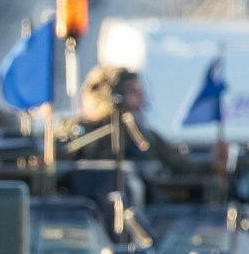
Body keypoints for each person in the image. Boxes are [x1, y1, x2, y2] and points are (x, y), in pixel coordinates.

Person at [56, 65, 224, 177]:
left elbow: (180, 166)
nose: (140, 99)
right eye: (132, 92)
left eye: (139, 92)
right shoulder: (81, 131)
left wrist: (213, 165)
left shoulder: (145, 136)